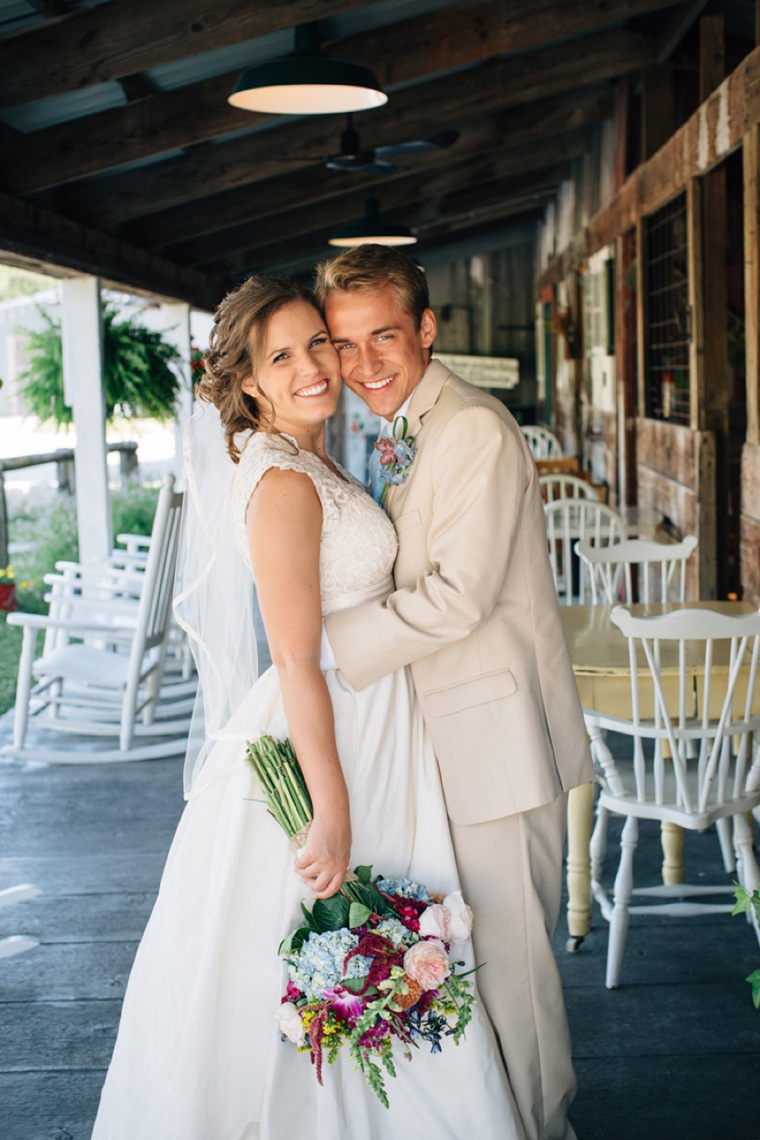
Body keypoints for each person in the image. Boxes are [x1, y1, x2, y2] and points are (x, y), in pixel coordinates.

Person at [91, 275, 526, 1139]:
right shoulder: (284, 479)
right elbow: (294, 656)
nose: (314, 367)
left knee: (375, 935)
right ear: (248, 381)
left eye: (317, 344)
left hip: (374, 715)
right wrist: (330, 808)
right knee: (309, 941)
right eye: (281, 356)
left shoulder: (311, 454)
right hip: (334, 727)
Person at [314, 245, 594, 1140]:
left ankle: (548, 1127)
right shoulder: (407, 428)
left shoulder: (471, 426)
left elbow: (459, 596)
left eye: (383, 336)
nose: (363, 365)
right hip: (441, 744)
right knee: (475, 972)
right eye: (344, 345)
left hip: (497, 746)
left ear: (427, 329)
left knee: (516, 978)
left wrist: (332, 643)